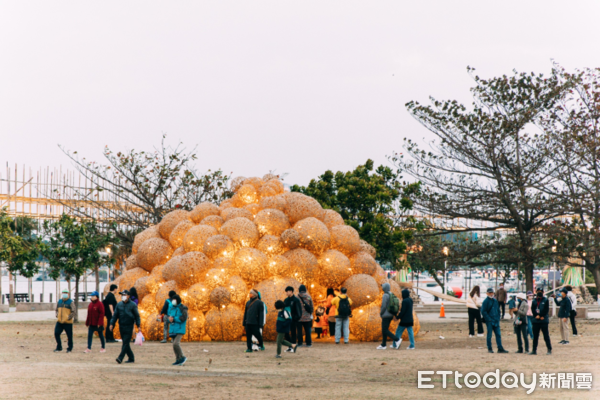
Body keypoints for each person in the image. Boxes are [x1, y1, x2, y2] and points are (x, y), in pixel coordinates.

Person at [109, 290, 141, 364]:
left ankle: (120, 358)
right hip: (121, 326)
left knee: (125, 343)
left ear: (128, 296)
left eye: (124, 294)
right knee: (125, 343)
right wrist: (111, 324)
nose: (123, 296)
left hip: (129, 326)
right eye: (122, 295)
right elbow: (115, 316)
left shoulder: (133, 305)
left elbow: (137, 316)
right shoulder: (119, 304)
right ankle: (131, 357)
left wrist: (138, 325)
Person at [481, 288, 508, 354]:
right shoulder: (485, 301)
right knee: (489, 335)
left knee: (498, 334)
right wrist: (488, 319)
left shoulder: (495, 301)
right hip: (490, 321)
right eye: (490, 293)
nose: (491, 294)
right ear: (487, 293)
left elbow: (498, 310)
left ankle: (500, 348)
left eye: (492, 293)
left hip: (496, 320)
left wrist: (498, 317)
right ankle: (489, 348)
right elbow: (483, 311)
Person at [377, 283, 400, 350]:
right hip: (391, 314)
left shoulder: (385, 295)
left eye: (383, 287)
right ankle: (383, 345)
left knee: (384, 330)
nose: (382, 288)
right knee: (385, 330)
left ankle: (397, 339)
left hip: (386, 315)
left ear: (384, 288)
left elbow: (383, 306)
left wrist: (381, 313)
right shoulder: (391, 294)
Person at [530, 287, 552, 355]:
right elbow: (532, 309)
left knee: (546, 336)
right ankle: (534, 350)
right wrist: (536, 315)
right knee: (535, 336)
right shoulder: (534, 301)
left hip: (543, 320)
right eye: (538, 291)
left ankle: (549, 349)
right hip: (536, 321)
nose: (539, 292)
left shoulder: (545, 300)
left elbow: (546, 309)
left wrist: (541, 315)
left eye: (541, 291)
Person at [167, 294, 188, 365]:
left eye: (174, 300)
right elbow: (169, 317)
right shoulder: (171, 307)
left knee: (176, 343)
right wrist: (169, 319)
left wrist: (174, 319)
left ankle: (182, 357)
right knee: (174, 345)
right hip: (173, 329)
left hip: (180, 328)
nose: (173, 301)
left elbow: (184, 318)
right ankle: (178, 359)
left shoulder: (183, 308)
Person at [243, 289, 265, 353]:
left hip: (255, 323)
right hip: (248, 322)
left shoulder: (260, 303)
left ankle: (261, 344)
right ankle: (249, 348)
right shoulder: (247, 303)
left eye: (251, 293)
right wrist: (244, 322)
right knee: (248, 336)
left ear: (255, 294)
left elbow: (261, 314)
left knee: (257, 335)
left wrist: (260, 324)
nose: (250, 294)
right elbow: (245, 313)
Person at [54, 289, 75, 353]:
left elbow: (73, 311)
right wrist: (57, 315)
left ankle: (70, 348)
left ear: (68, 294)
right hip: (60, 321)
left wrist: (68, 317)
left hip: (67, 322)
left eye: (65, 293)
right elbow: (56, 309)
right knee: (56, 333)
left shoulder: (70, 302)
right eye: (63, 293)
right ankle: (59, 347)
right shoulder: (59, 301)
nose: (64, 294)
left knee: (69, 335)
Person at [283, 286, 302, 351]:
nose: (286, 293)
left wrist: (295, 318)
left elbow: (299, 311)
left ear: (291, 291)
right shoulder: (286, 300)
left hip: (293, 319)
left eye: (287, 291)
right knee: (286, 333)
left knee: (293, 333)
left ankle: (293, 346)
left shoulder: (296, 300)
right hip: (287, 319)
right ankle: (290, 346)